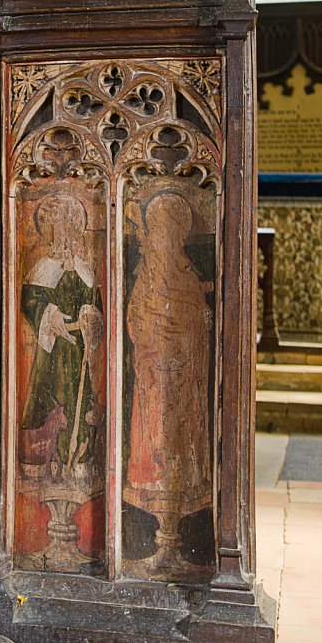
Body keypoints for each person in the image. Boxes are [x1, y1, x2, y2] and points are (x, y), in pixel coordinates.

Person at [125, 191, 213, 519]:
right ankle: (152, 481)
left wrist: (192, 336)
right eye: (158, 231)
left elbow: (198, 321)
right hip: (153, 369)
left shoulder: (187, 275)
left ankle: (184, 483)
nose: (162, 239)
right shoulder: (147, 273)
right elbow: (136, 317)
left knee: (182, 425)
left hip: (184, 371)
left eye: (169, 232)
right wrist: (152, 346)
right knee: (155, 425)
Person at [20, 192, 104, 472]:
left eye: (70, 225)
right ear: (49, 232)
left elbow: (95, 306)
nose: (64, 233)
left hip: (78, 348)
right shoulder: (42, 268)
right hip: (53, 348)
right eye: (57, 227)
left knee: (79, 397)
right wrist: (50, 315)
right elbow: (30, 302)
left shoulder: (84, 269)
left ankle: (78, 458)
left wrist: (91, 317)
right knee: (48, 396)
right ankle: (40, 461)